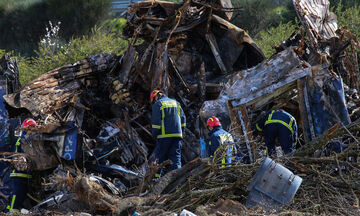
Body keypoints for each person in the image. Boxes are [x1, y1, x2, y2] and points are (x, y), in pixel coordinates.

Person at [151, 90, 186, 176]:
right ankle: (176, 178)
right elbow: (183, 119)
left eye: (153, 100)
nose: (154, 102)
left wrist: (155, 135)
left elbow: (156, 124)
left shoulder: (158, 104)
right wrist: (182, 132)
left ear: (156, 97)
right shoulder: (176, 103)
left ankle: (156, 178)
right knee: (176, 158)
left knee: (159, 157)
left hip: (164, 136)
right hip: (177, 136)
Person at [5, 118, 36, 213]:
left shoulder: (26, 138)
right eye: (31, 128)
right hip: (18, 174)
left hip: (24, 175)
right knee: (17, 194)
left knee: (22, 195)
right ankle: (10, 213)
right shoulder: (23, 139)